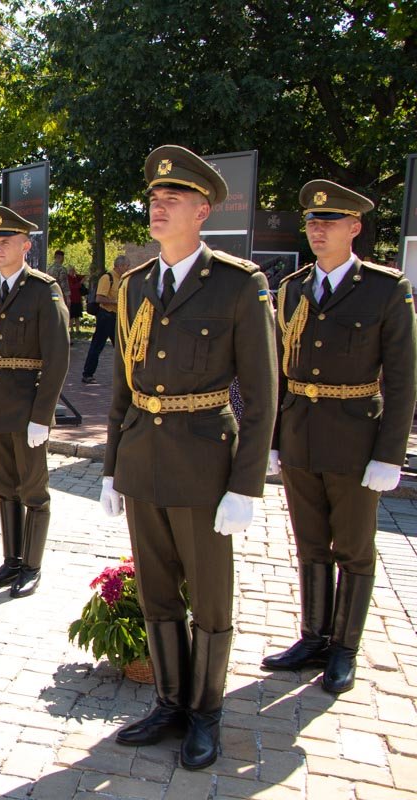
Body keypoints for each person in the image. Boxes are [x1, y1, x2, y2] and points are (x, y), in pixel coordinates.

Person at [100, 145, 277, 770]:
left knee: (210, 599)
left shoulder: (238, 284)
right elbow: (124, 383)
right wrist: (111, 466)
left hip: (206, 463)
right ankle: (170, 702)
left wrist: (246, 485)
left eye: (172, 199)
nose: (158, 205)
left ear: (203, 211)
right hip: (144, 457)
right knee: (156, 594)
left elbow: (262, 395)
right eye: (154, 198)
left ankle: (206, 712)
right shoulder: (135, 284)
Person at [262, 180, 416, 695]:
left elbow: (402, 378)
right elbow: (281, 372)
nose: (318, 229)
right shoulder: (293, 288)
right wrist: (279, 437)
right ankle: (314, 637)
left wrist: (389, 454)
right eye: (311, 221)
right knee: (310, 544)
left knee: (352, 548)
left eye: (329, 222)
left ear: (355, 228)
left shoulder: (385, 288)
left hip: (356, 440)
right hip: (303, 434)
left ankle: (344, 648)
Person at [0, 208, 70, 599]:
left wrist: (42, 416)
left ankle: (31, 565)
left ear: (26, 246)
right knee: (4, 486)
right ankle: (11, 561)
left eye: (6, 242)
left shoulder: (44, 290)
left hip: (28, 408)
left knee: (33, 490)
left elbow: (57, 357)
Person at [81, 256, 129, 384]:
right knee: (97, 345)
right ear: (119, 266)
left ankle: (125, 375)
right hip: (105, 315)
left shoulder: (122, 279)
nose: (128, 268)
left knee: (121, 346)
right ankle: (87, 374)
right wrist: (116, 302)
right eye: (126, 266)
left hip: (115, 316)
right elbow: (99, 298)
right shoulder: (107, 278)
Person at [67, 265, 85, 334]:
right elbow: (72, 287)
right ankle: (71, 329)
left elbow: (83, 276)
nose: (72, 272)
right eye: (71, 270)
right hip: (71, 299)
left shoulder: (76, 277)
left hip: (78, 299)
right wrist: (80, 283)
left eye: (73, 270)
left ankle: (78, 329)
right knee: (71, 315)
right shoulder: (68, 278)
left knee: (77, 315)